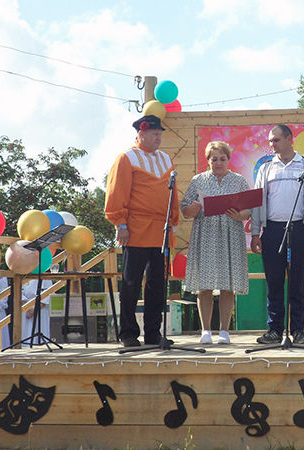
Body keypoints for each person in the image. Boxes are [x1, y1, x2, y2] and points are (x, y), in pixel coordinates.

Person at [105, 114, 179, 347]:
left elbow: (173, 194)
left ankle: (153, 333)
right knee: (131, 283)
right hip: (135, 227)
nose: (158, 138)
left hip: (161, 229)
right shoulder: (126, 157)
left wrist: (173, 221)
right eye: (155, 134)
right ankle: (128, 333)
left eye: (160, 134)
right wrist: (121, 224)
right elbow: (117, 192)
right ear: (141, 134)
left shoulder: (166, 159)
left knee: (157, 284)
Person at [251, 125, 304, 345]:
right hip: (272, 230)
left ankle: (298, 330)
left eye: (276, 140)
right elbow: (257, 201)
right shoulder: (266, 168)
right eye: (270, 141)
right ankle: (274, 330)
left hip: (299, 229)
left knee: (297, 282)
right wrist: (255, 233)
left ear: (290, 139)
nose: (272, 144)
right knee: (274, 282)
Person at [181, 141, 251, 345]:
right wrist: (193, 209)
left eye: (222, 159)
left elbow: (249, 209)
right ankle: (205, 331)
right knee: (204, 286)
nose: (218, 163)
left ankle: (224, 331)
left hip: (231, 235)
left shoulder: (239, 181)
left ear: (228, 160)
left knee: (228, 285)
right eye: (214, 159)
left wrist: (239, 216)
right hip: (205, 235)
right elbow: (185, 210)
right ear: (208, 160)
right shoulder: (198, 180)